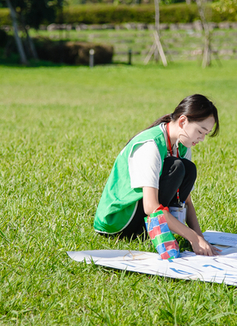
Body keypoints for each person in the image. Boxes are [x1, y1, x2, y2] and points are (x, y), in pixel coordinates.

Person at [94, 94, 220, 256]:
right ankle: (154, 230)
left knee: (188, 168)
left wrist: (201, 238)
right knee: (177, 167)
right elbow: (151, 206)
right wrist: (193, 238)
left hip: (144, 214)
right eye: (200, 131)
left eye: (206, 134)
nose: (202, 139)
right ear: (182, 121)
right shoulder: (151, 144)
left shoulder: (182, 144)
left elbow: (186, 200)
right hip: (119, 222)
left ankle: (162, 228)